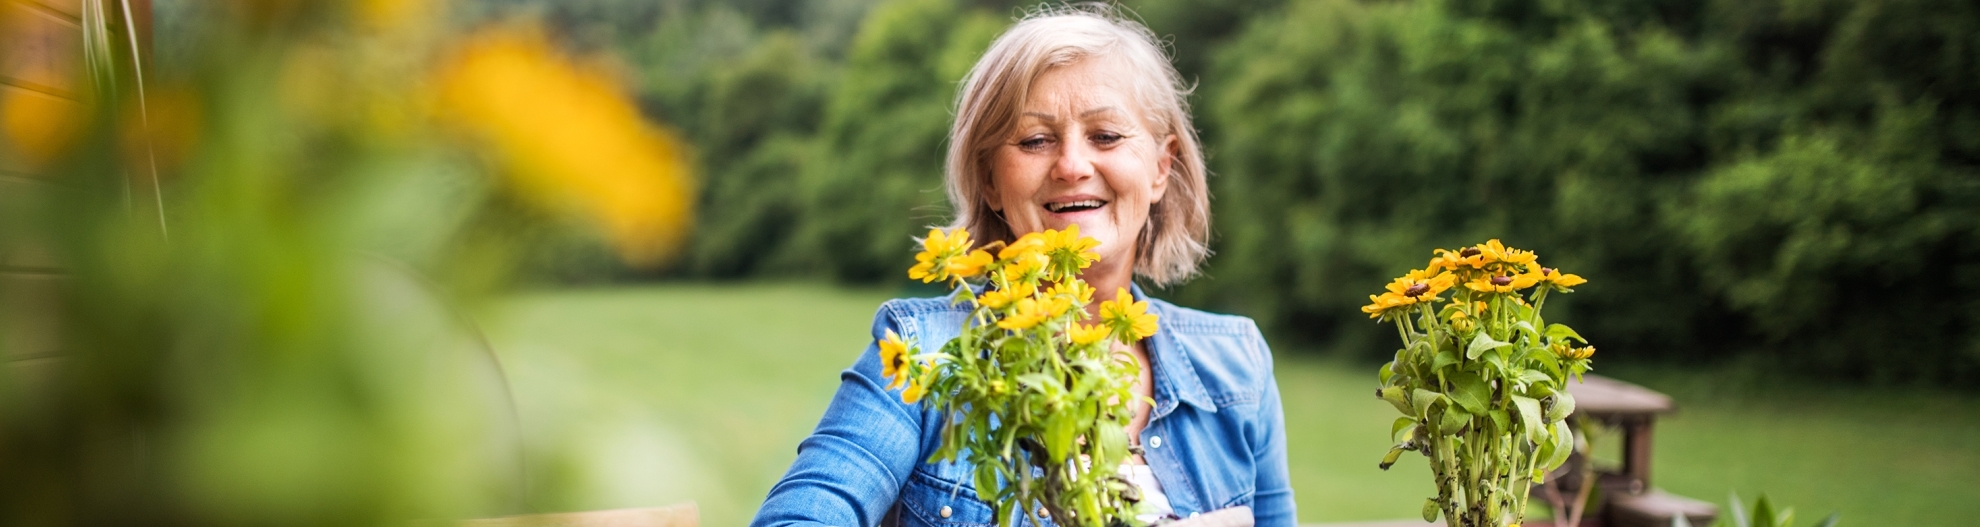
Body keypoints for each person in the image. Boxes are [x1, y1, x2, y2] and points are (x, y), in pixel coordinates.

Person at [751, 6, 1293, 527]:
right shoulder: (923, 351)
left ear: (1160, 167)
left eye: (1106, 136)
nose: (1073, 165)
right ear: (990, 181)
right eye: (1035, 140)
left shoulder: (1237, 364)